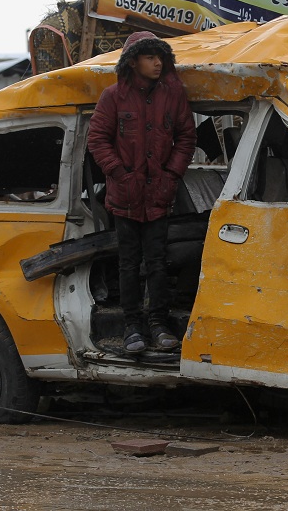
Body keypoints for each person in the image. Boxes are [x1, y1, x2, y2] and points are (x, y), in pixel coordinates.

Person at [87, 31, 197, 354]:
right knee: (128, 264)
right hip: (124, 198)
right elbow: (97, 140)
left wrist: (171, 175)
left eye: (160, 57)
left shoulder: (173, 94)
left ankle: (159, 324)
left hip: (159, 198)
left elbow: (186, 138)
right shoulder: (113, 97)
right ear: (133, 61)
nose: (158, 62)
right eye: (150, 57)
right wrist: (119, 174)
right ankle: (132, 327)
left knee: (159, 263)